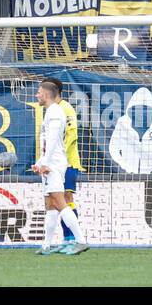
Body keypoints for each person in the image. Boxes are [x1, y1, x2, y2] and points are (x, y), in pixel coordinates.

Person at [33, 79, 85, 255]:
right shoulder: (50, 111)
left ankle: (80, 240)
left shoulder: (56, 112)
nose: (36, 95)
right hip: (49, 163)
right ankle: (46, 245)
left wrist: (46, 162)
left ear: (46, 94)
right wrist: (40, 162)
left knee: (60, 202)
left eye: (39, 92)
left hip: (54, 165)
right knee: (50, 204)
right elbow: (47, 142)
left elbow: (55, 140)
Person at [47, 75, 87, 248]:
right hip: (57, 163)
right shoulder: (52, 109)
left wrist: (61, 156)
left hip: (68, 162)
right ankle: (67, 239)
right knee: (56, 201)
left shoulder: (66, 109)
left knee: (66, 197)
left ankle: (72, 239)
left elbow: (71, 135)